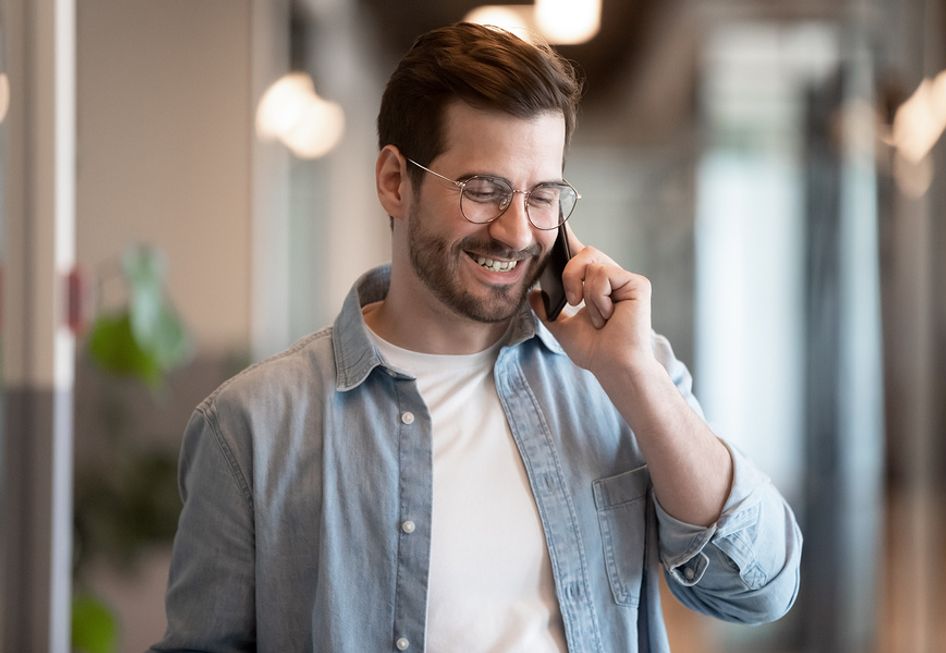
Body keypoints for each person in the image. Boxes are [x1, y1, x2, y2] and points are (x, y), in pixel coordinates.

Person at [151, 22, 802, 653]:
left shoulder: (621, 375)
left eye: (543, 195)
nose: (517, 231)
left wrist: (635, 377)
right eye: (483, 190)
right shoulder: (252, 428)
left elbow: (760, 586)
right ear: (393, 181)